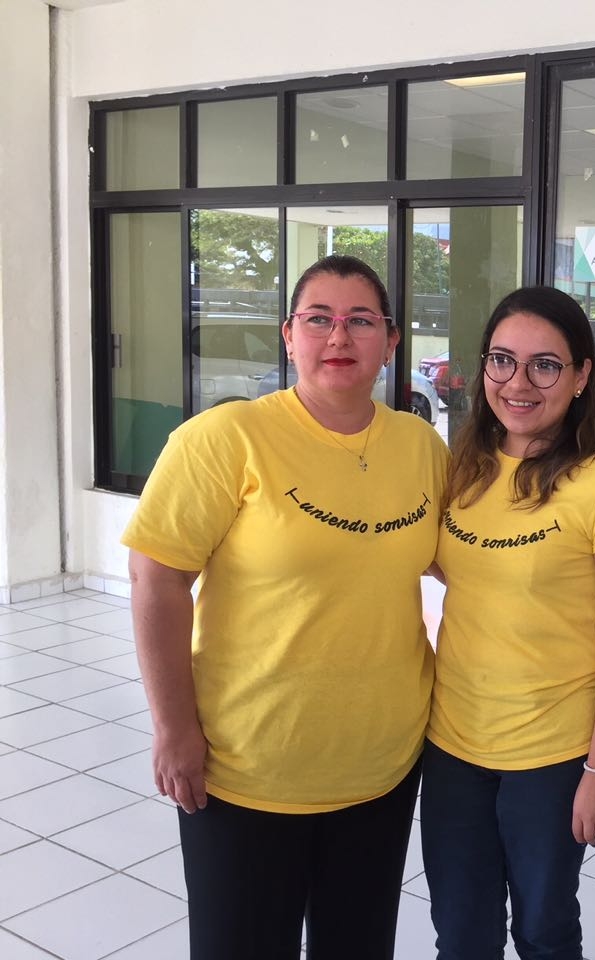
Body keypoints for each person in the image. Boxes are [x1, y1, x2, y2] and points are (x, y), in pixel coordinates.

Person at [123, 254, 448, 960]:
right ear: (288, 335)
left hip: (381, 767)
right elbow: (156, 581)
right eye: (319, 320)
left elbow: (467, 564)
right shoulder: (225, 439)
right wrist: (173, 727)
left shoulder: (421, 447)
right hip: (247, 770)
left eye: (361, 321)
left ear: (391, 341)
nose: (339, 337)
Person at [420, 286, 595, 960]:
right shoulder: (463, 466)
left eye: (545, 365)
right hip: (452, 745)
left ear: (583, 374)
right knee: (460, 933)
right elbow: (453, 573)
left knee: (543, 930)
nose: (517, 382)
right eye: (502, 360)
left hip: (553, 754)